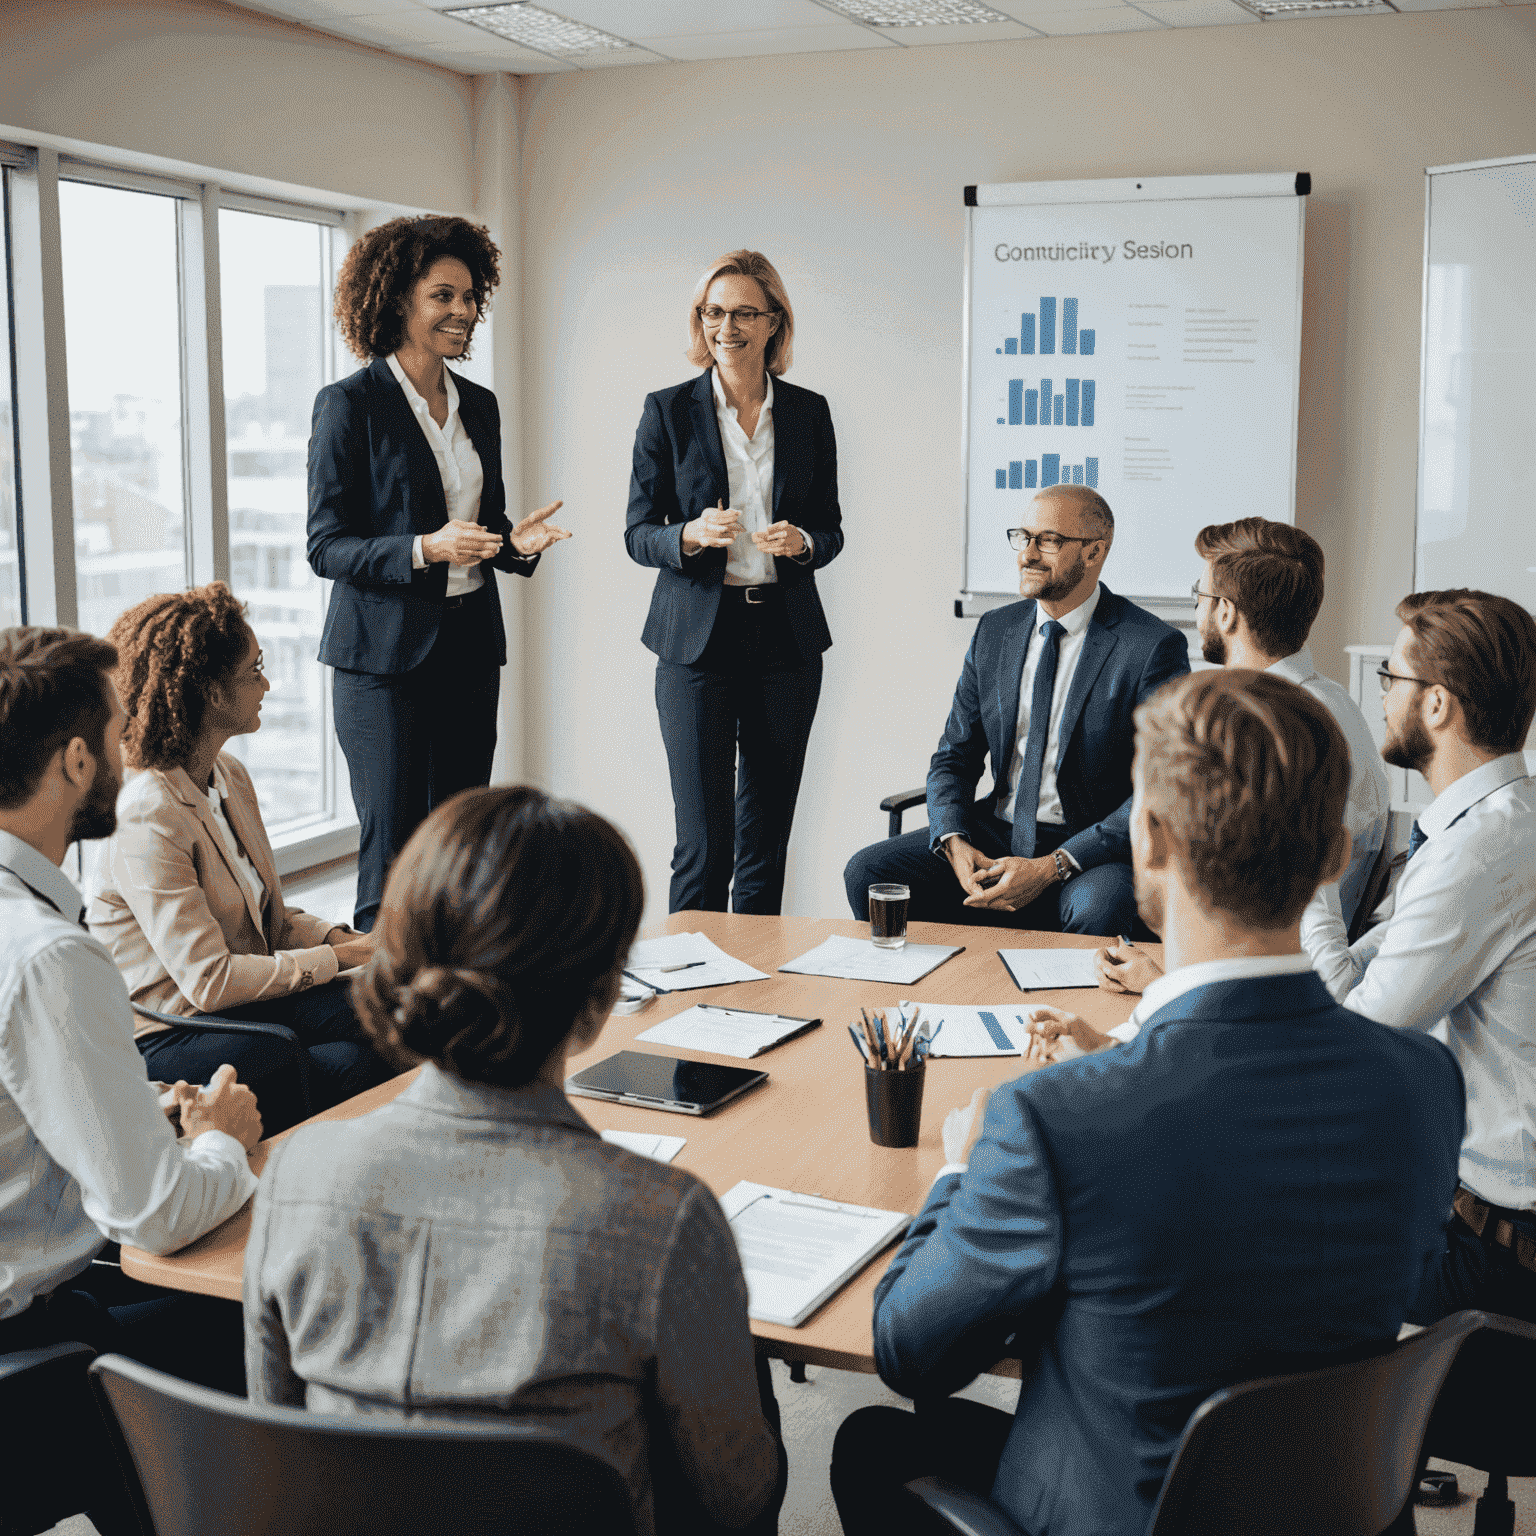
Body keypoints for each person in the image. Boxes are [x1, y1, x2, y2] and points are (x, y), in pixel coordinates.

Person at [830, 670, 1464, 1536]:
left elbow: (909, 1351)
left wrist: (959, 1165)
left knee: (873, 1441)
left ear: (1151, 840)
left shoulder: (1050, 1122)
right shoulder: (1426, 1083)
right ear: (1334, 858)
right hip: (1330, 1505)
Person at [244, 785, 786, 1536]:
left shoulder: (295, 1173)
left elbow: (279, 1442)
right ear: (600, 1002)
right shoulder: (662, 1221)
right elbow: (740, 1497)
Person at [1, 627, 262, 1533]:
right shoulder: (47, 957)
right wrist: (225, 1133)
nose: (127, 751)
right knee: (256, 1310)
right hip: (34, 1341)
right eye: (115, 735)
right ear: (74, 761)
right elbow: (150, 1213)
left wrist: (121, 1108)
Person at [308, 214, 571, 931]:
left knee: (461, 843)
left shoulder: (477, 405)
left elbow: (481, 529)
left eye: (469, 297)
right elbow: (326, 545)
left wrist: (515, 542)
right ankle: (379, 1020)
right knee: (393, 851)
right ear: (397, 299)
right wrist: (424, 547)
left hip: (468, 646)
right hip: (383, 662)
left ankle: (451, 1004)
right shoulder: (349, 406)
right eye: (443, 297)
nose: (463, 312)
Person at [87, 584, 393, 1136]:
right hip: (170, 1023)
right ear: (207, 692)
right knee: (317, 1061)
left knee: (386, 1005)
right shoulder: (147, 812)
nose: (268, 684)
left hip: (232, 1005)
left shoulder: (228, 776)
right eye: (254, 671)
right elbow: (208, 982)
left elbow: (268, 922)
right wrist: (346, 960)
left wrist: (343, 940)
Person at [843, 485, 1188, 934]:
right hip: (996, 831)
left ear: (1094, 552)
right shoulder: (996, 630)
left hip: (1087, 849)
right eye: (1021, 537)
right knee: (870, 873)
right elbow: (954, 758)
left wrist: (1052, 866)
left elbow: (1158, 789)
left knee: (1101, 909)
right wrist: (953, 841)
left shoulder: (1150, 646)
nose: (1027, 554)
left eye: (1047, 540)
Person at [626, 249, 843, 915]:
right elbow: (639, 532)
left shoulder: (808, 413)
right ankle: (688, 995)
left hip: (785, 642)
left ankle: (754, 1002)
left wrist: (801, 542)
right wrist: (689, 534)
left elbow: (829, 528)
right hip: (696, 645)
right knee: (703, 843)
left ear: (774, 321)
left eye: (744, 312)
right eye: (713, 312)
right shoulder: (667, 411)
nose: (727, 326)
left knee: (765, 841)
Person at [1096, 516, 1389, 999]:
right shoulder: (1331, 702)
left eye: (1200, 594)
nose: (1195, 609)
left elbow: (1325, 961)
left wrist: (1171, 986)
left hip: (1261, 999)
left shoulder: (1276, 739)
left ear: (1227, 613)